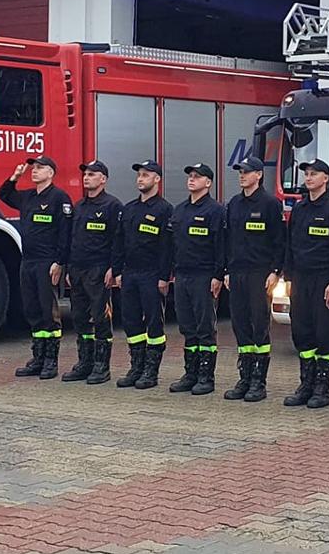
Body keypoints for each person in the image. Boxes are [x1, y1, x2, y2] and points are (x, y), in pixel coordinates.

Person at [282, 159, 329, 408]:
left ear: (326, 179)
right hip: (300, 278)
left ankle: (322, 387)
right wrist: (287, 276)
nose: (308, 178)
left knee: (323, 332)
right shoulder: (299, 209)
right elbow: (290, 244)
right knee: (301, 331)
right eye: (306, 174)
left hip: (323, 279)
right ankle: (306, 383)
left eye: (314, 174)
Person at [0, 156, 71, 380]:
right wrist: (15, 177)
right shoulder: (28, 196)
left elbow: (65, 233)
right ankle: (38, 357)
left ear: (51, 173)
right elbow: (4, 194)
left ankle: (51, 360)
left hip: (47, 262)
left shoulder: (59, 198)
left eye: (40, 168)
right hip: (27, 261)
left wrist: (60, 262)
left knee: (49, 312)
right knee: (32, 310)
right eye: (33, 168)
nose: (34, 171)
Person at [222, 156, 285, 402]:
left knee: (259, 325)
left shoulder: (270, 204)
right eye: (240, 171)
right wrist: (226, 271)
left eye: (247, 172)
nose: (242, 175)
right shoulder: (234, 204)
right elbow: (228, 240)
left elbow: (279, 240)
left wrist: (275, 271)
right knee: (240, 325)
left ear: (259, 175)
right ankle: (244, 377)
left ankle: (259, 381)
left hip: (260, 273)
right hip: (237, 273)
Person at [167, 163, 227, 395]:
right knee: (187, 327)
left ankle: (206, 376)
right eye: (190, 176)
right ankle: (190, 373)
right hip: (182, 275)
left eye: (197, 177)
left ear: (208, 183)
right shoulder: (180, 210)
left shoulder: (215, 211)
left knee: (204, 328)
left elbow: (220, 246)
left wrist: (217, 275)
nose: (191, 180)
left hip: (204, 276)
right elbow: (172, 244)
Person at [113, 161, 173, 389]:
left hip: (151, 274)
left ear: (156, 179)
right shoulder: (129, 209)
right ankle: (136, 366)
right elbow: (119, 242)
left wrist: (163, 276)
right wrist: (118, 271)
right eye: (139, 175)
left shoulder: (164, 209)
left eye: (145, 175)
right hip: (130, 274)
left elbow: (167, 246)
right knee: (130, 321)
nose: (140, 179)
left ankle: (151, 371)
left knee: (154, 324)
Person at [64, 161, 123, 385]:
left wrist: (113, 267)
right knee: (79, 317)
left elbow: (117, 240)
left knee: (100, 317)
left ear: (103, 179)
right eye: (85, 174)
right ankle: (84, 362)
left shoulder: (112, 205)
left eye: (92, 174)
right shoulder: (79, 206)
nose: (86, 178)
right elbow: (73, 240)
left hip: (99, 270)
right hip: (78, 269)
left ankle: (101, 366)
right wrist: (69, 266)